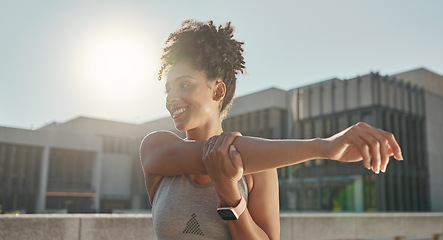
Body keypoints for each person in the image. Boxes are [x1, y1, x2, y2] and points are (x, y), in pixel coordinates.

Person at [140, 20, 403, 240]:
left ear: (218, 91)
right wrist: (324, 147)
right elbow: (218, 153)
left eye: (183, 84)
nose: (171, 98)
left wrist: (231, 196)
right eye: (168, 88)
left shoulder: (262, 166)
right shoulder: (156, 148)